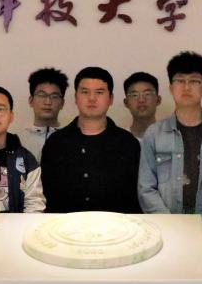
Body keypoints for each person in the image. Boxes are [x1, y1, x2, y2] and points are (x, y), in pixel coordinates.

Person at [138, 51, 202, 222]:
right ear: (171, 87)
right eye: (180, 80)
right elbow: (146, 188)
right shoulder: (154, 134)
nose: (186, 87)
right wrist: (171, 223)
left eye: (194, 81)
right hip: (167, 227)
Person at [40, 66, 142, 213]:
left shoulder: (128, 143)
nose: (92, 98)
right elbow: (46, 195)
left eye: (99, 92)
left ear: (111, 99)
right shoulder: (56, 143)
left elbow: (136, 197)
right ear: (76, 98)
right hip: (65, 224)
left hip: (116, 224)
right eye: (85, 92)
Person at [0, 85, 45, 213]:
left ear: (11, 116)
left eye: (1, 109)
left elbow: (34, 205)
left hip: (17, 225)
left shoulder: (26, 159)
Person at [19, 67, 68, 163]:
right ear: (31, 101)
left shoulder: (71, 138)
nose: (48, 102)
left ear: (62, 103)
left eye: (54, 96)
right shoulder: (17, 139)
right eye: (42, 95)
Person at [122, 71, 162, 138]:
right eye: (135, 95)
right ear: (126, 103)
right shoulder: (119, 140)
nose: (141, 100)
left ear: (158, 100)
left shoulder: (172, 137)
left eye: (147, 94)